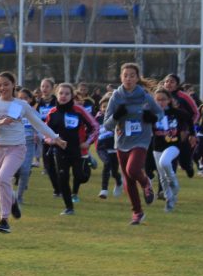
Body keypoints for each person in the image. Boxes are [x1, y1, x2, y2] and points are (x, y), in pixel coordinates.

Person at [0, 71, 65, 233]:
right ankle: (12, 199)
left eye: (6, 84)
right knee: (3, 183)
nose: (2, 88)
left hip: (16, 148)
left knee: (2, 179)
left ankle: (4, 220)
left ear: (13, 85)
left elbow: (39, 124)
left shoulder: (21, 105)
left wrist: (55, 137)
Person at [102, 63, 164, 225]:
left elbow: (160, 113)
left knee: (133, 169)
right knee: (128, 179)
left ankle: (145, 182)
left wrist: (152, 118)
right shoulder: (116, 96)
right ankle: (137, 212)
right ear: (121, 78)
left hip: (141, 139)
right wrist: (117, 116)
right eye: (125, 75)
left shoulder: (144, 96)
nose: (128, 78)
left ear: (137, 78)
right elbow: (107, 125)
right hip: (122, 140)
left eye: (132, 75)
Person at [42, 83, 99, 215]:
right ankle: (69, 207)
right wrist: (53, 141)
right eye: (61, 93)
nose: (63, 96)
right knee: (63, 178)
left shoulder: (79, 110)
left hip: (78, 150)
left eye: (67, 94)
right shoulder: (53, 113)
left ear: (72, 96)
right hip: (60, 151)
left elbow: (95, 126)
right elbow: (45, 132)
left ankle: (88, 163)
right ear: (56, 94)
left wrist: (87, 142)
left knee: (81, 177)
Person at [150, 88, 192, 213]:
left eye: (163, 99)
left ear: (169, 100)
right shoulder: (152, 114)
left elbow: (189, 119)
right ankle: (170, 200)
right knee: (161, 176)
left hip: (173, 145)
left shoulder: (177, 112)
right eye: (157, 100)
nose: (160, 102)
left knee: (165, 162)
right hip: (157, 147)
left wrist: (192, 133)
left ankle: (174, 183)